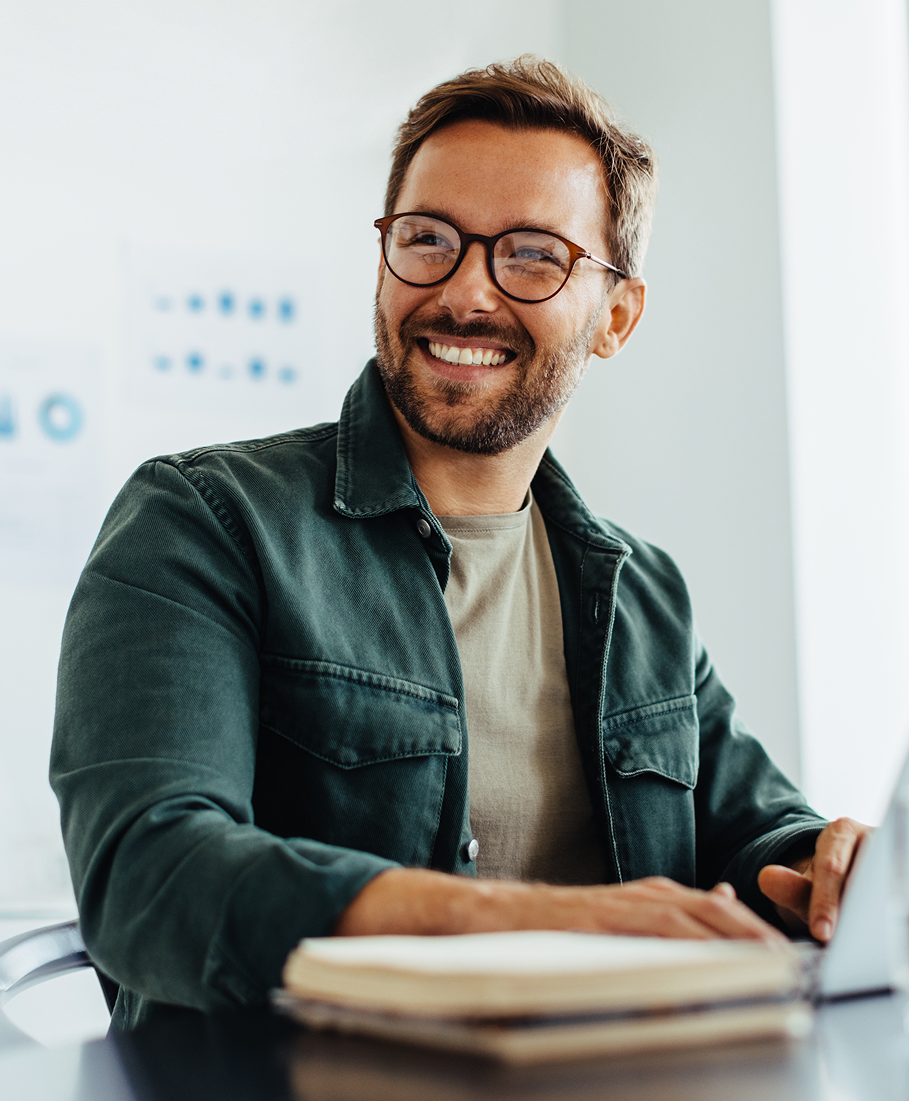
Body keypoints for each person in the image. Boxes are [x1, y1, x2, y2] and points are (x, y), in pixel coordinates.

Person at [50, 56, 866, 1029]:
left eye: (530, 255)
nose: (465, 293)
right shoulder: (202, 522)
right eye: (428, 239)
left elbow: (755, 838)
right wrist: (522, 926)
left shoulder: (642, 592)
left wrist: (832, 870)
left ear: (615, 316)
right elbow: (151, 876)